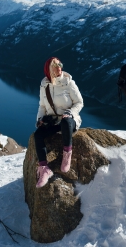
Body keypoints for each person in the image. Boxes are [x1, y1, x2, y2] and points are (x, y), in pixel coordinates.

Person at [34, 57, 84, 188]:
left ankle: (67, 154)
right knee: (38, 135)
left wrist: (70, 113)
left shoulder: (69, 83)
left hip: (69, 120)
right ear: (48, 70)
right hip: (54, 121)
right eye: (54, 65)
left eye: (60, 64)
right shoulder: (44, 85)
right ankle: (44, 168)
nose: (59, 67)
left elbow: (79, 102)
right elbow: (42, 106)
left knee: (66, 121)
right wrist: (39, 120)